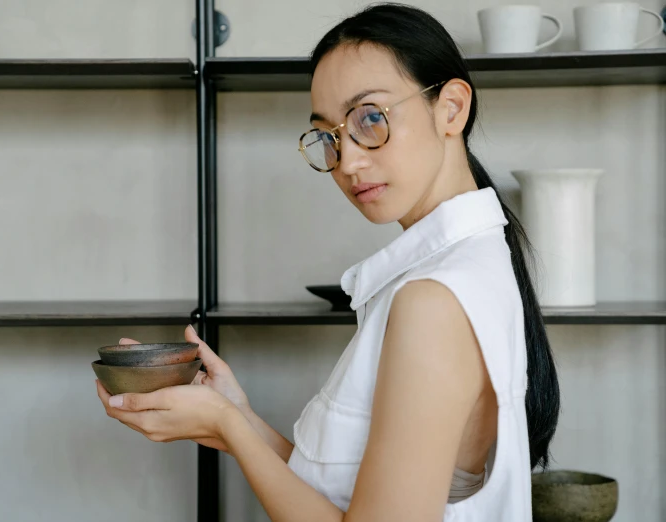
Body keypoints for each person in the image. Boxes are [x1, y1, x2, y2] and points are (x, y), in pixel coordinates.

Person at [96, 3, 560, 520]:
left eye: (371, 118)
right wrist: (237, 419)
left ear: (451, 108)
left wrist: (228, 427)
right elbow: (351, 500)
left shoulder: (434, 299)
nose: (350, 161)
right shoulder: (463, 265)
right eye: (330, 136)